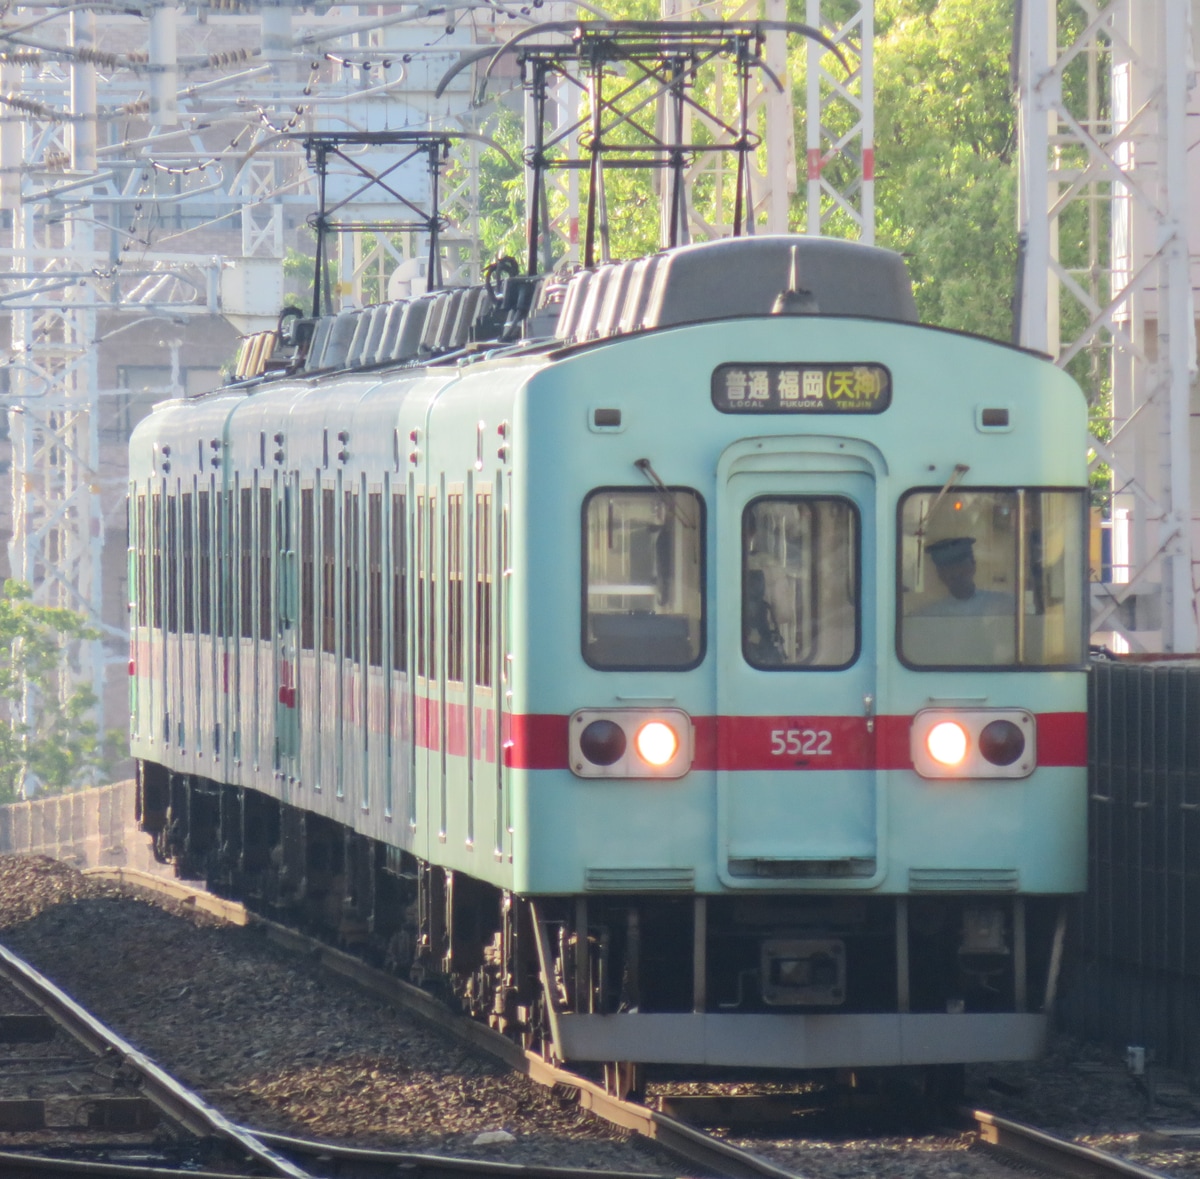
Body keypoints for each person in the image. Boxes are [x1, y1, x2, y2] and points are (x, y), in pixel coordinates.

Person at [920, 536, 1014, 616]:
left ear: (973, 566)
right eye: (949, 570)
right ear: (940, 575)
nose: (956, 573)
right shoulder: (930, 614)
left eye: (961, 567)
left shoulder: (1003, 604)